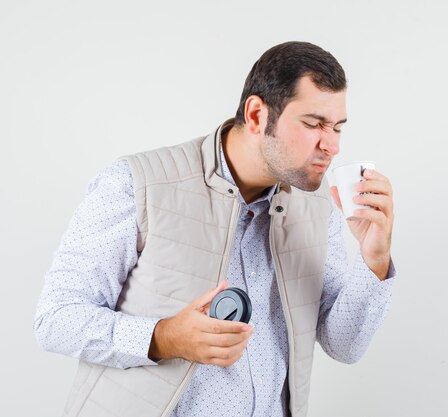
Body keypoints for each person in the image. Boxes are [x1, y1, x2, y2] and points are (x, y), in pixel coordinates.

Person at [34, 41, 396, 417]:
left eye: (337, 127)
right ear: (257, 115)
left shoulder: (321, 206)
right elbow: (56, 319)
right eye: (313, 124)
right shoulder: (136, 184)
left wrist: (374, 260)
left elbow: (344, 344)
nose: (332, 145)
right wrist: (162, 337)